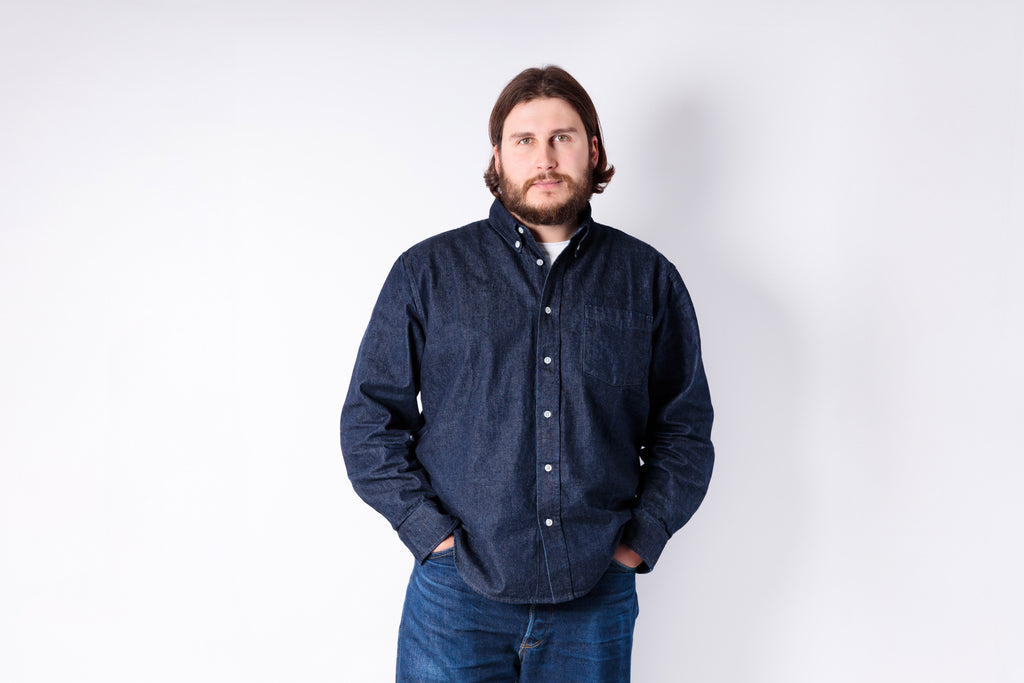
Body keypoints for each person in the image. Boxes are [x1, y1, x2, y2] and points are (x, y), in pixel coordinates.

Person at [339, 65, 714, 682]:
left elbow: (684, 432)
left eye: (562, 138)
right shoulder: (427, 273)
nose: (545, 158)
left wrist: (638, 542)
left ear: (593, 151)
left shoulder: (647, 279)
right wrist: (431, 536)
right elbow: (369, 421)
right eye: (525, 140)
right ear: (498, 156)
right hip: (455, 598)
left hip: (595, 598)